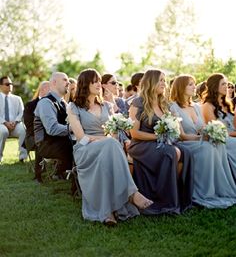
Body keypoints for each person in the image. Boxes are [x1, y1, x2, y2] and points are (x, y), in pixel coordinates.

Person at [67, 68, 153, 225]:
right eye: (94, 81)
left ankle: (108, 212)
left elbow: (113, 131)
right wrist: (106, 140)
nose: (99, 84)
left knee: (110, 150)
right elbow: (81, 137)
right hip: (85, 149)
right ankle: (132, 194)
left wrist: (111, 137)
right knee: (111, 145)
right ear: (85, 84)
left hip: (108, 147)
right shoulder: (73, 107)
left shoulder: (107, 106)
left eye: (99, 81)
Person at [128, 69, 193, 215]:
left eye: (165, 80)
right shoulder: (138, 102)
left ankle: (178, 196)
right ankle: (164, 200)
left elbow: (174, 126)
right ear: (151, 82)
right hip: (141, 145)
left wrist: (171, 130)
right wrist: (158, 137)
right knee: (171, 152)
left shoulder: (165, 103)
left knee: (186, 153)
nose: (164, 83)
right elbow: (134, 133)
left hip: (162, 142)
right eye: (160, 80)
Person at [170, 75, 236, 208]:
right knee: (207, 147)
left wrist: (212, 131)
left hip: (198, 140)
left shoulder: (195, 106)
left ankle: (219, 188)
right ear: (181, 87)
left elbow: (201, 128)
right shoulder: (173, 107)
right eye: (190, 84)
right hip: (184, 142)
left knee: (217, 144)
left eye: (194, 84)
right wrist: (201, 138)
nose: (195, 86)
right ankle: (205, 192)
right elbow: (181, 135)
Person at [34, 72, 73, 179]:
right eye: (65, 80)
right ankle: (77, 186)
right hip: (47, 144)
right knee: (77, 147)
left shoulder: (63, 102)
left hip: (60, 141)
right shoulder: (46, 103)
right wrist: (73, 129)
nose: (68, 83)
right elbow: (52, 129)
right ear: (54, 82)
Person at [202, 73, 236, 180]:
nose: (226, 87)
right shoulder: (208, 106)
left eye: (227, 84)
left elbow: (234, 125)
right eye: (223, 84)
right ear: (215, 86)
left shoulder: (227, 104)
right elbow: (216, 131)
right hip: (222, 140)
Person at [23, 81, 50, 181]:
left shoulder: (52, 104)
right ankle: (37, 176)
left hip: (49, 135)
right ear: (42, 90)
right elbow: (29, 125)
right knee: (41, 141)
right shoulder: (30, 105)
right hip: (32, 137)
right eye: (50, 89)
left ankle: (60, 171)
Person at [0, 76, 27, 163]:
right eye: (7, 84)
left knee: (23, 130)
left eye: (11, 84)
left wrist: (15, 122)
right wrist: (5, 122)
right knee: (3, 132)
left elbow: (22, 112)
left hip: (15, 124)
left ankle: (22, 157)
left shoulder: (17, 98)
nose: (10, 86)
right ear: (1, 86)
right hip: (1, 124)